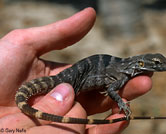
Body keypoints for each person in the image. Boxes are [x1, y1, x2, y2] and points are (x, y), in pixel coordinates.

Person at [0, 8, 152, 134]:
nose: (159, 67)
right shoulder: (123, 73)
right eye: (156, 64)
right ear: (140, 63)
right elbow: (112, 89)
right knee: (71, 116)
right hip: (66, 82)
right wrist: (120, 102)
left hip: (68, 80)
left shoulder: (123, 70)